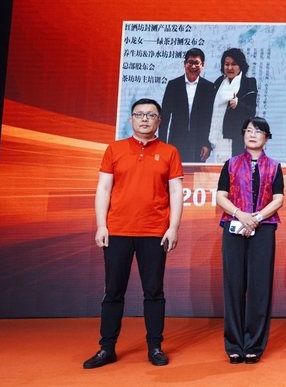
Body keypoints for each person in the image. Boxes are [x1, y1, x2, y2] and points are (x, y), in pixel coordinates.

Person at [83, 98, 184, 369]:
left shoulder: (169, 152)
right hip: (117, 230)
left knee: (154, 291)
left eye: (151, 115)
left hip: (154, 231)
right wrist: (101, 225)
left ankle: (155, 347)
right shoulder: (114, 149)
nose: (145, 119)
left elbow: (176, 191)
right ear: (131, 119)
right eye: (139, 114)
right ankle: (107, 349)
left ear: (159, 121)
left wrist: (173, 227)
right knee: (113, 291)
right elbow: (104, 188)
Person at [215, 117, 284, 364]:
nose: (253, 135)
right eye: (248, 131)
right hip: (234, 226)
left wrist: (256, 218)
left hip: (263, 229)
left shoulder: (274, 166)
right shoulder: (231, 164)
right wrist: (240, 215)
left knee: (259, 287)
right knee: (233, 285)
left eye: (258, 131)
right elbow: (221, 196)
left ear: (267, 138)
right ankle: (234, 344)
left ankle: (254, 344)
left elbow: (278, 199)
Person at [159, 48, 216, 163]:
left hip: (199, 144)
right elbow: (164, 118)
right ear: (184, 63)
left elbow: (212, 119)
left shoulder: (209, 87)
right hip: (176, 142)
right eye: (190, 62)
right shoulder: (173, 85)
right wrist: (162, 145)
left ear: (203, 65)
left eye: (197, 63)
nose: (193, 66)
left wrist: (207, 144)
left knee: (195, 173)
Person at [210, 48, 258, 162]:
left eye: (234, 64)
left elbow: (251, 111)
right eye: (227, 64)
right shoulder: (219, 82)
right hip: (219, 137)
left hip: (238, 139)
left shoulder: (248, 83)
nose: (230, 68)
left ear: (241, 66)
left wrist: (238, 105)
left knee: (236, 169)